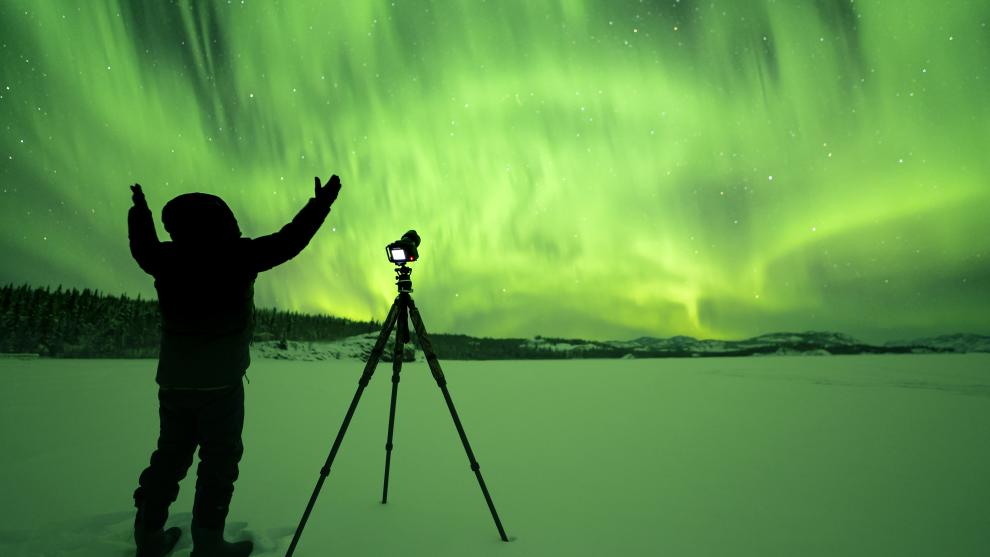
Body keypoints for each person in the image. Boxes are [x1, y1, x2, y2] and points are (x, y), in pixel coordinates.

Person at [128, 175, 342, 556]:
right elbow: (290, 240)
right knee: (218, 462)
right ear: (223, 221)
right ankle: (208, 543)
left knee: (170, 456)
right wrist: (319, 205)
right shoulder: (239, 256)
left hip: (174, 381)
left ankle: (147, 536)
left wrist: (140, 212)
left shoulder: (164, 258)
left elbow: (141, 246)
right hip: (221, 385)